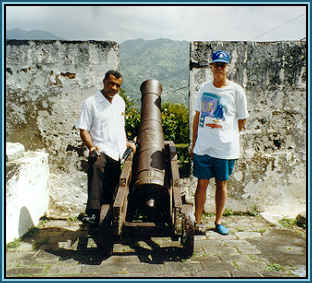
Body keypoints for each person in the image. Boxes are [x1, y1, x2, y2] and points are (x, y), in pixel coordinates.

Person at [190, 50, 248, 235]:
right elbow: (197, 116)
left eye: (223, 65)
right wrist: (194, 142)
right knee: (202, 184)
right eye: (216, 65)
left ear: (227, 67)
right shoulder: (204, 89)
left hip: (225, 148)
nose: (219, 68)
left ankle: (218, 221)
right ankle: (197, 220)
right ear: (211, 67)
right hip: (204, 146)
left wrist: (228, 135)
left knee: (222, 185)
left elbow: (242, 119)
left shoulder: (236, 91)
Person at [76, 70, 136, 226]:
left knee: (113, 188)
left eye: (118, 85)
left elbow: (118, 126)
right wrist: (91, 146)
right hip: (101, 150)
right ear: (104, 82)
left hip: (117, 153)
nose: (114, 88)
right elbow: (83, 129)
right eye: (111, 84)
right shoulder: (91, 103)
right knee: (96, 169)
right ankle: (93, 214)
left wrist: (126, 143)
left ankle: (111, 218)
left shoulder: (120, 102)